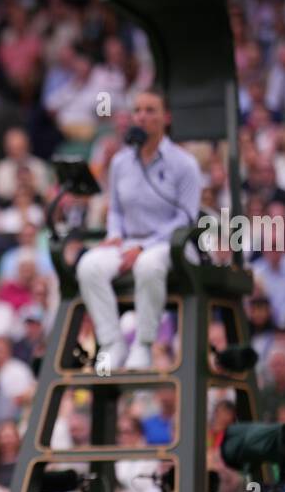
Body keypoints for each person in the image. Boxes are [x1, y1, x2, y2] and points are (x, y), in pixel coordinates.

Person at [75, 89, 203, 371]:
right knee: (88, 266)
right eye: (138, 111)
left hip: (171, 246)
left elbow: (186, 217)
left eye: (150, 110)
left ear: (165, 117)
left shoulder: (185, 164)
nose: (142, 117)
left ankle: (143, 345)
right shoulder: (120, 162)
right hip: (128, 241)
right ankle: (112, 342)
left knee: (147, 266)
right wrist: (115, 236)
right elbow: (117, 210)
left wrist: (144, 247)